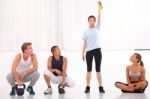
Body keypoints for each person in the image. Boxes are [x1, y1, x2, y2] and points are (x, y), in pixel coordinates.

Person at [82, 1, 105, 93]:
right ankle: (87, 87)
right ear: (88, 21)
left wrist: (99, 7)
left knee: (98, 70)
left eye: (93, 20)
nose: (92, 21)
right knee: (89, 70)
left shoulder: (97, 28)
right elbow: (85, 43)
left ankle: (100, 87)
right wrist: (82, 53)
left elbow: (99, 16)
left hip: (97, 51)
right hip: (89, 52)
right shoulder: (85, 31)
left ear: (95, 22)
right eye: (90, 20)